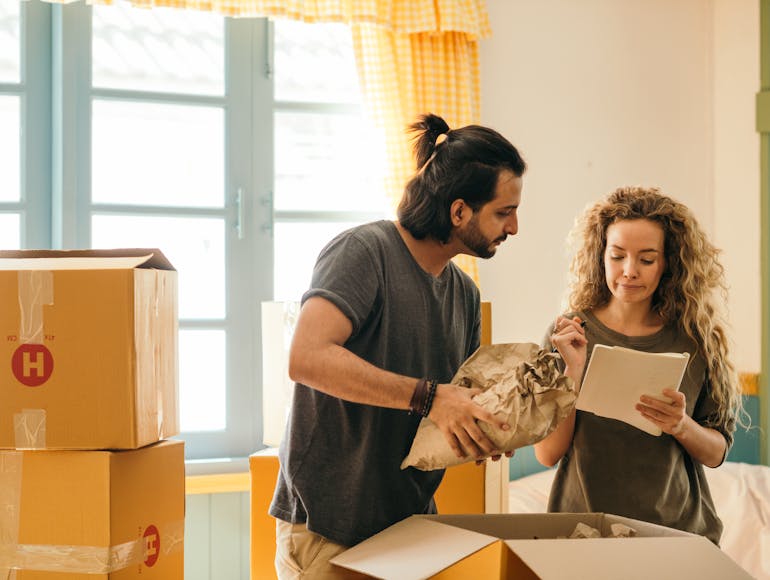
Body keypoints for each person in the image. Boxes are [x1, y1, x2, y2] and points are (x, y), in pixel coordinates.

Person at [269, 113, 583, 579]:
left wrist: (484, 430)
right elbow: (307, 358)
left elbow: (446, 410)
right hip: (327, 530)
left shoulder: (465, 295)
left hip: (411, 528)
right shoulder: (363, 252)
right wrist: (432, 397)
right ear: (459, 212)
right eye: (503, 211)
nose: (514, 227)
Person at [534, 186, 746, 545]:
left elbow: (716, 452)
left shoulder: (695, 340)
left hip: (677, 536)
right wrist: (573, 372)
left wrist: (681, 426)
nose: (629, 271)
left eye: (646, 260)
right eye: (617, 256)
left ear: (668, 264)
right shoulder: (568, 335)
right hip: (584, 534)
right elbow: (547, 453)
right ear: (600, 255)